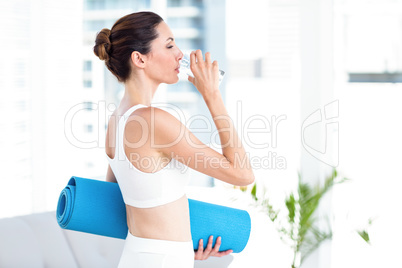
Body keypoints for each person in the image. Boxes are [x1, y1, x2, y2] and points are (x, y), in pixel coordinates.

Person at [94, 11, 255, 268]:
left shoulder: (117, 119)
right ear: (139, 59)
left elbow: (129, 203)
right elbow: (243, 174)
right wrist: (212, 95)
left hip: (142, 256)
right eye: (169, 45)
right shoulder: (154, 121)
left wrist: (182, 244)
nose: (180, 54)